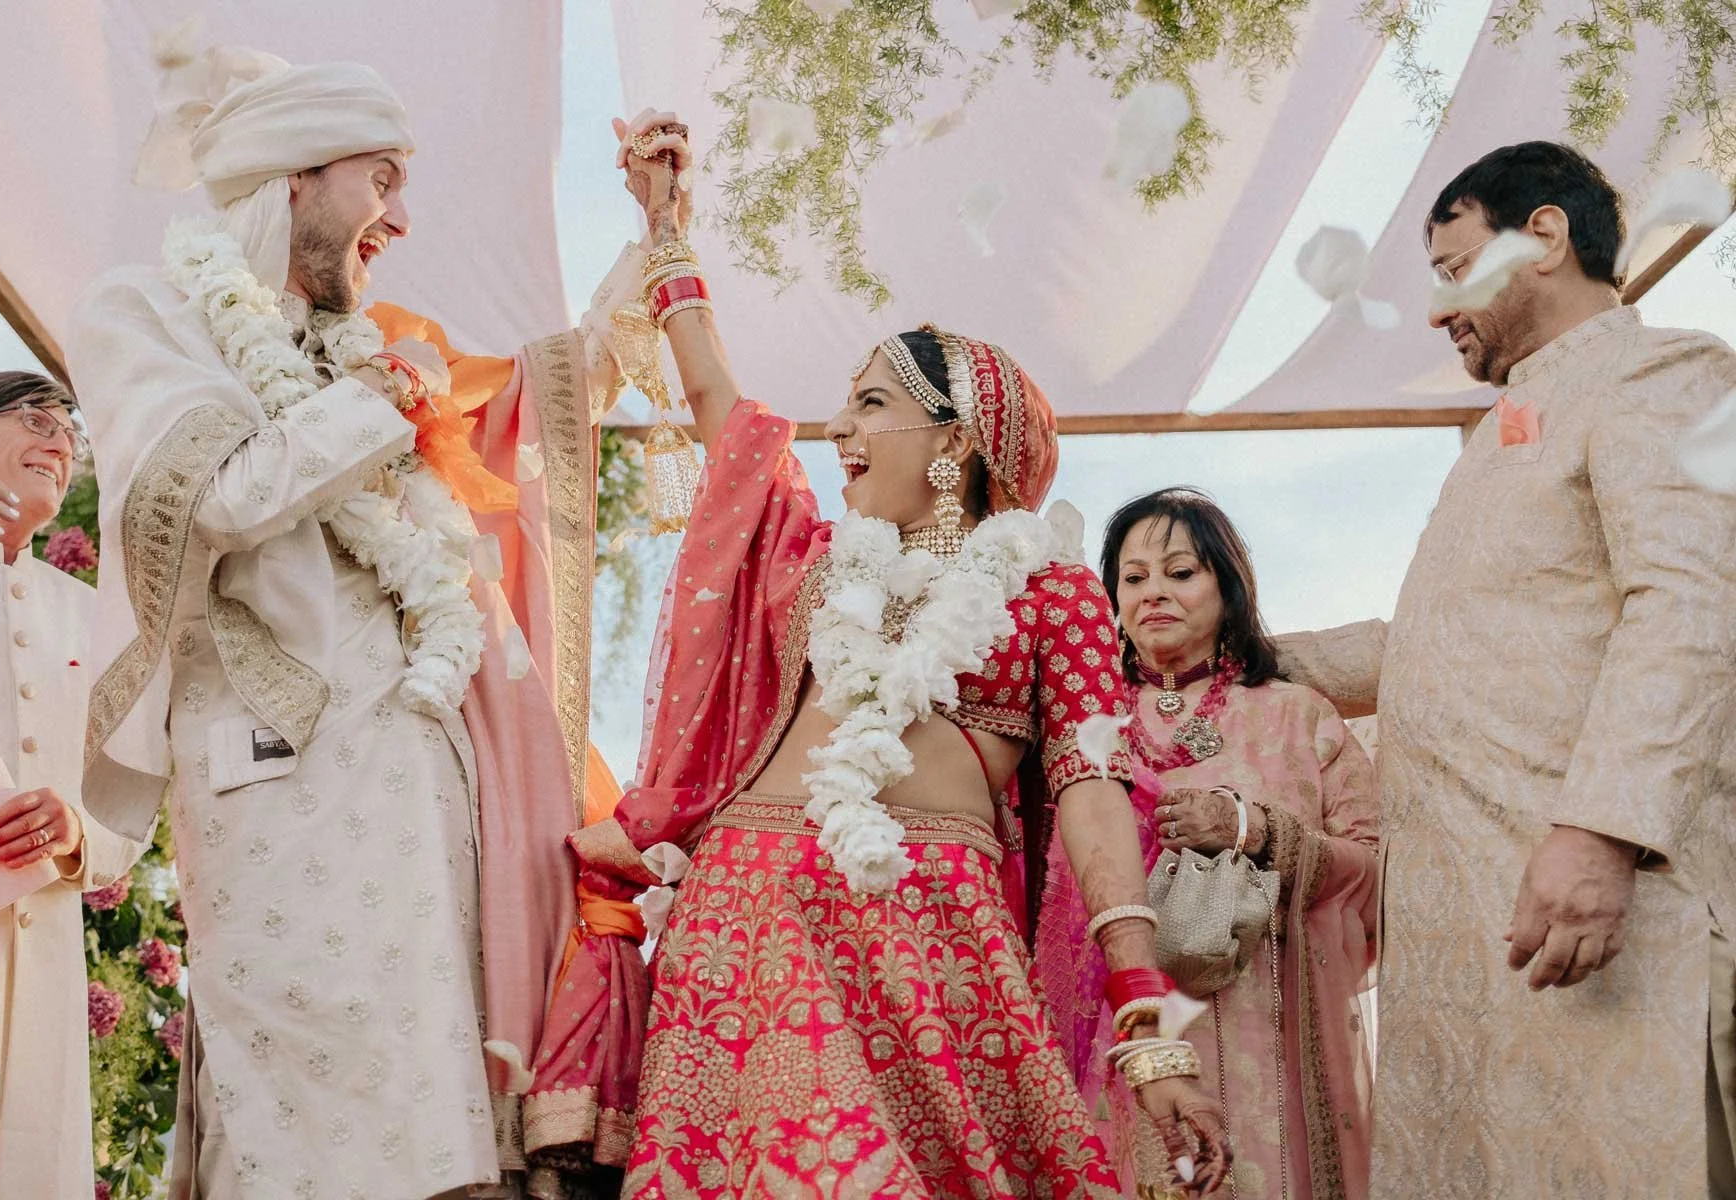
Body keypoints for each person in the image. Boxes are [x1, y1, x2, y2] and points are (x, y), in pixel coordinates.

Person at [521, 110, 1232, 1199]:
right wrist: (667, 232)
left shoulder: (1048, 592)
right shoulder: (814, 561)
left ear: (955, 442)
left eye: (871, 403)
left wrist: (1150, 1028)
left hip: (926, 926)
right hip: (745, 915)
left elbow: (1093, 801)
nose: (838, 427)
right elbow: (723, 409)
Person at [67, 46, 647, 1200]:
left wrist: (655, 257)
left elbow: (513, 413)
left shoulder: (362, 352)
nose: (402, 219)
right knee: (306, 1116)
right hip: (276, 775)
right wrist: (373, 407)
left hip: (421, 768)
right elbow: (209, 498)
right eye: (381, 180)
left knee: (444, 1129)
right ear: (294, 175)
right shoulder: (146, 311)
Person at [1275, 141, 1736, 1196]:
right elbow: (1432, 648)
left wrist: (1603, 829)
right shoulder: (1511, 429)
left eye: (1452, 272)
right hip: (1480, 946)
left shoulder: (1661, 372)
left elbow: (1693, 602)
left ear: (1544, 236)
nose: (1438, 314)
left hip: (1605, 913)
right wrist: (1234, 654)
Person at [1102, 486, 1379, 1198]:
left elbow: (1378, 873)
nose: (1154, 592)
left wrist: (1253, 831)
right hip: (1122, 1040)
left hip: (1273, 1043)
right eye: (1133, 578)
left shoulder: (1296, 716)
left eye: (1180, 572)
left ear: (1229, 586)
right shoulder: (1082, 724)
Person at [0, 372, 150, 1199]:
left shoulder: (89, 615)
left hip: (40, 947)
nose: (61, 442)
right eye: (36, 418)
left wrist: (77, 836)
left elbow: (128, 782)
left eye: (71, 433)